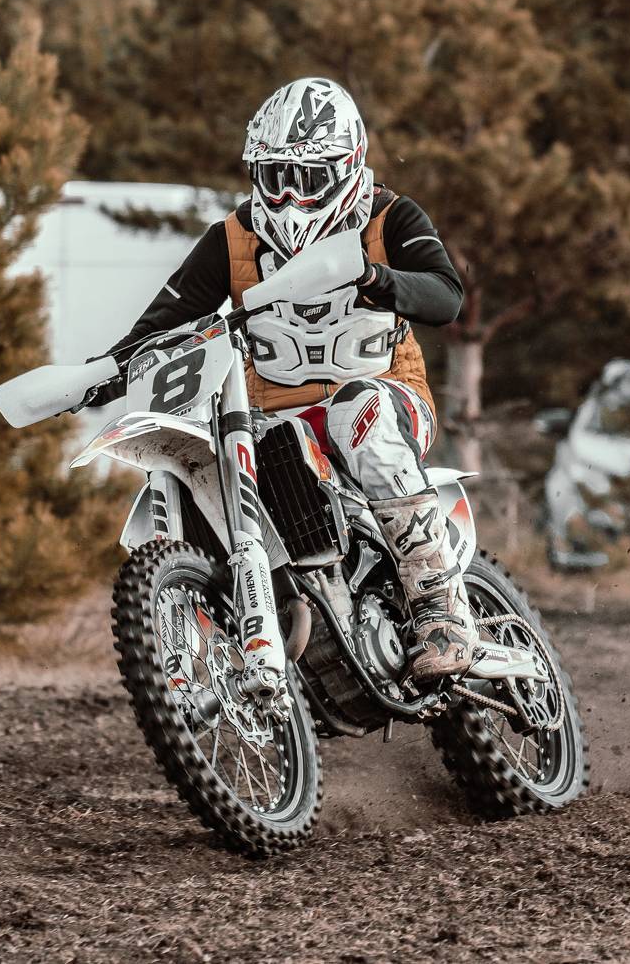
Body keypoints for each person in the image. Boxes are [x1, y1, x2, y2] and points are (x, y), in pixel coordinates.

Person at [100, 77, 475, 681]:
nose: (291, 197)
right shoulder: (233, 238)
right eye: (276, 177)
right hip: (272, 419)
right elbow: (161, 321)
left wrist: (375, 277)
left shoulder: (391, 217)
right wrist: (99, 375)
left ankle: (440, 608)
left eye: (309, 178)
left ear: (348, 165)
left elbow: (446, 295)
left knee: (358, 414)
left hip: (389, 398)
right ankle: (213, 641)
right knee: (198, 463)